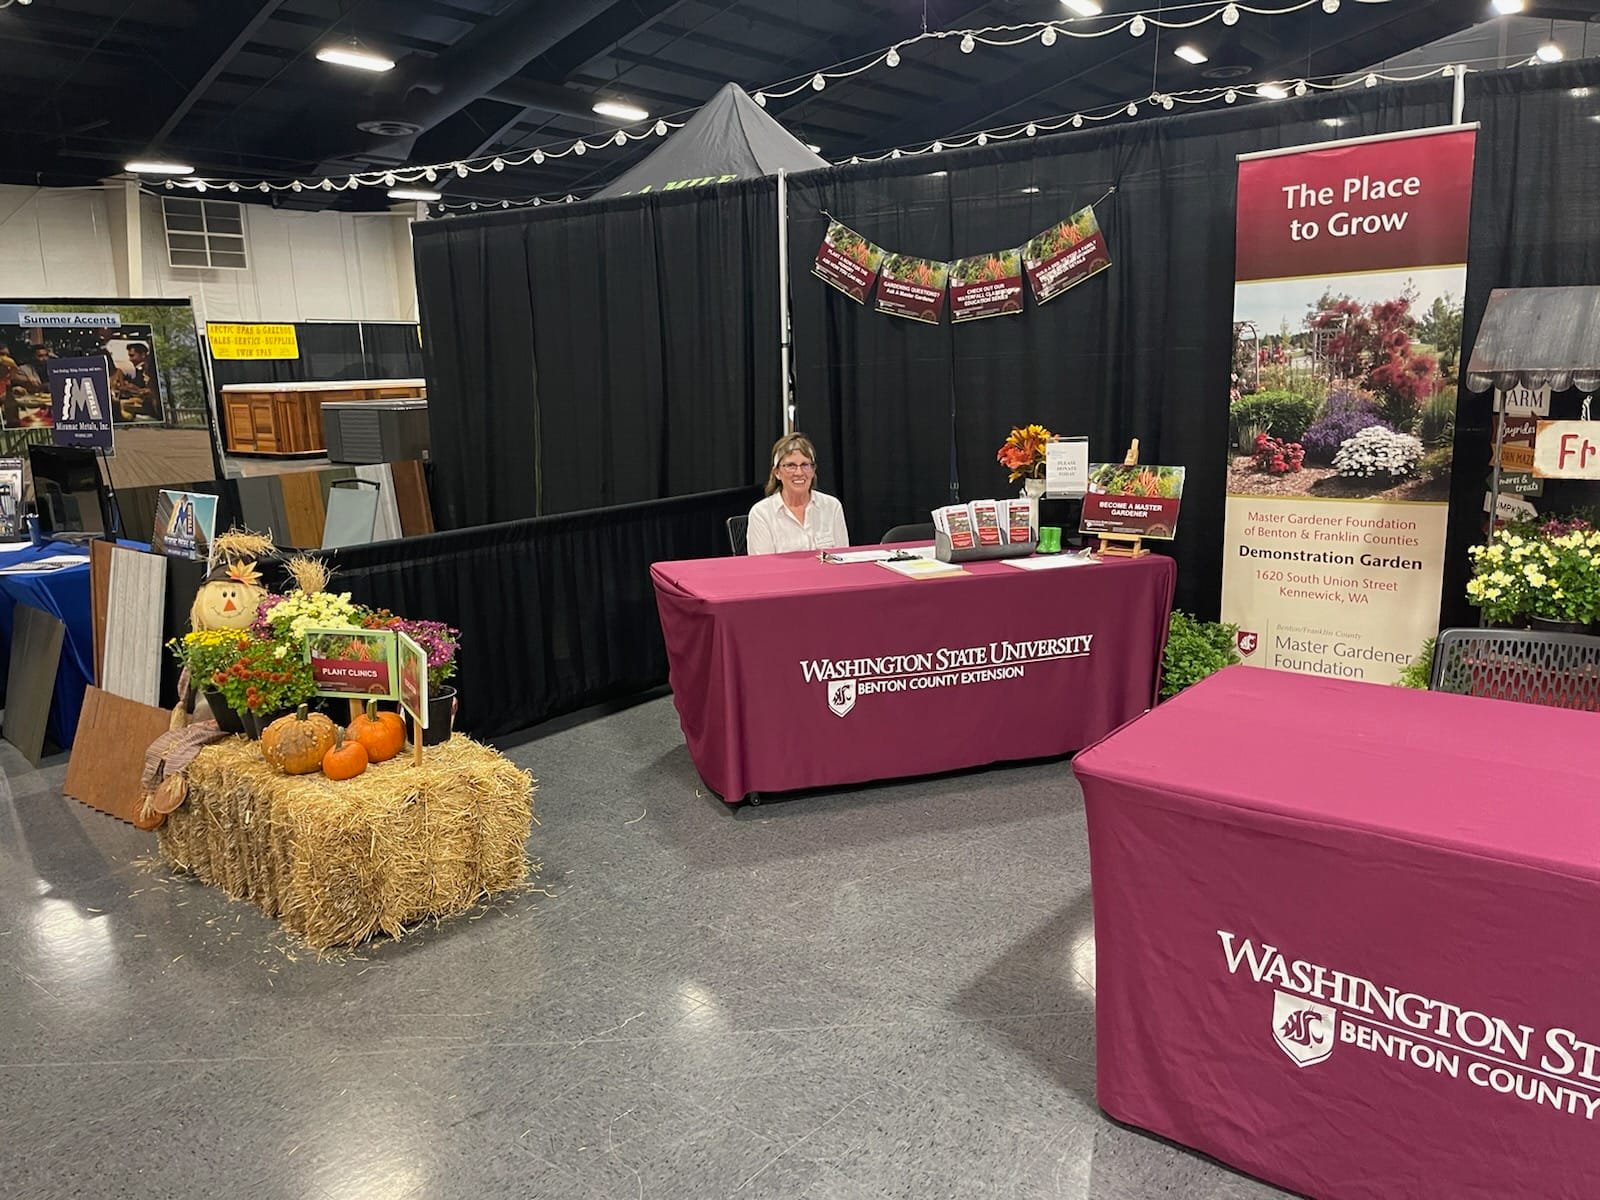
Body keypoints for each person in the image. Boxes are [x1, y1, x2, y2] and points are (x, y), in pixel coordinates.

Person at [746, 432, 849, 555]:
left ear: (813, 470)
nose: (799, 472)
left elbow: (842, 560)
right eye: (791, 466)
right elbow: (764, 568)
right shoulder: (761, 513)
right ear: (777, 472)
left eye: (805, 465)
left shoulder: (832, 507)